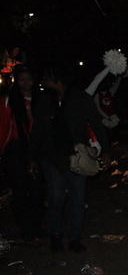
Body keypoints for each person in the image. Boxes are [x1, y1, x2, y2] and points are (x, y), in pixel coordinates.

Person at [28, 66, 110, 252]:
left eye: (47, 76)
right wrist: (32, 157)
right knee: (56, 197)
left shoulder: (80, 99)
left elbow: (96, 124)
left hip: (76, 157)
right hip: (51, 156)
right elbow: (37, 131)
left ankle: (74, 238)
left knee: (77, 198)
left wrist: (105, 150)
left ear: (59, 80)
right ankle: (55, 235)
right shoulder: (44, 101)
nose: (43, 80)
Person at [0, 66, 44, 242]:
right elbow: (3, 128)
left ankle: (36, 226)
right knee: (20, 189)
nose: (26, 83)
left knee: (37, 190)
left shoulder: (42, 99)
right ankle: (25, 228)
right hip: (16, 150)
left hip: (38, 149)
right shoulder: (7, 101)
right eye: (21, 79)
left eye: (29, 79)